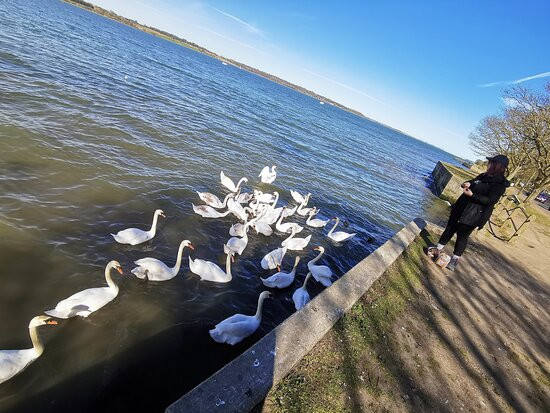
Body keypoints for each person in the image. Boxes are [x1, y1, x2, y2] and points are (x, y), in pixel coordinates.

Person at [428, 154, 511, 271]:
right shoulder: (483, 176)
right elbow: (472, 182)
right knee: (450, 228)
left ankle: (454, 261)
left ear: (497, 166)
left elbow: (490, 200)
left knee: (462, 236)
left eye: (491, 163)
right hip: (461, 208)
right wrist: (467, 183)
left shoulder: (499, 185)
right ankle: (437, 249)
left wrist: (472, 195)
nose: (488, 164)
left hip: (475, 214)